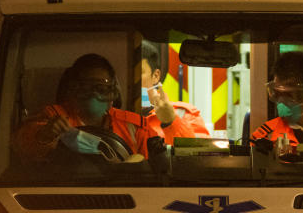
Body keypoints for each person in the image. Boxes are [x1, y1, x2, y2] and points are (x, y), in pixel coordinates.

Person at [14, 53, 193, 164]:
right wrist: (45, 135)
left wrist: (170, 122)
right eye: (86, 87)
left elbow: (172, 160)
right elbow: (24, 144)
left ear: (113, 93)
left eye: (101, 88)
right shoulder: (53, 116)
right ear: (73, 89)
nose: (93, 94)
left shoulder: (132, 125)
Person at [140, 41, 209, 139]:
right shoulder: (113, 117)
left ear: (155, 76)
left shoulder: (185, 115)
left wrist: (171, 121)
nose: (131, 78)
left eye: (139, 72)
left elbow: (196, 151)